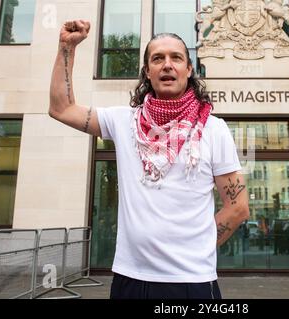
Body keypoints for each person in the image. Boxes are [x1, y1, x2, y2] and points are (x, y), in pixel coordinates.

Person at [49, 20, 249, 299]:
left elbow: (238, 207)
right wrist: (66, 48)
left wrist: (198, 249)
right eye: (158, 58)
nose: (167, 65)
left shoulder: (214, 128)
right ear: (147, 72)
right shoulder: (122, 121)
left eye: (176, 57)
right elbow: (62, 108)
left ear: (188, 69)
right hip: (131, 280)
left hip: (194, 281)